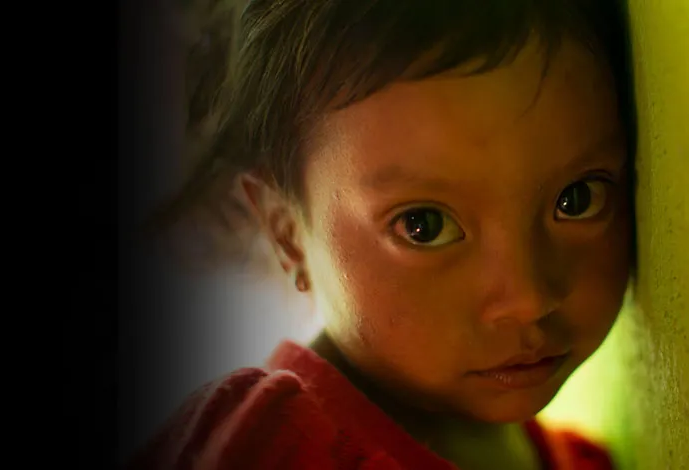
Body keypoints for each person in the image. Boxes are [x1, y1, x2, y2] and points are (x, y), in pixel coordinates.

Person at [132, 0, 633, 468]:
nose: (527, 298)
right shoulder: (266, 448)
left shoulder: (581, 460)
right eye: (424, 226)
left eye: (578, 199)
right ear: (286, 233)